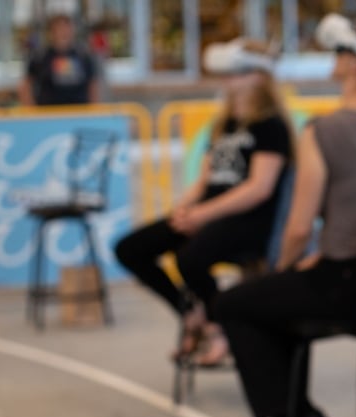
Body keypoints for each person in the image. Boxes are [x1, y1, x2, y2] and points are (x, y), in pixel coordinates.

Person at [214, 13, 356, 417]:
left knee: (234, 304)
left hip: (340, 283)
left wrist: (285, 269)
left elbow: (297, 228)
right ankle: (295, 415)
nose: (335, 58)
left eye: (341, 51)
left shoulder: (324, 131)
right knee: (277, 302)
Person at [114, 38, 293, 365]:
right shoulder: (226, 123)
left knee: (189, 259)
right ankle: (190, 312)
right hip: (209, 214)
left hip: (248, 221)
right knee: (130, 248)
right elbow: (206, 177)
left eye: (236, 72)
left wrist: (202, 214)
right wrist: (185, 208)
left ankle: (218, 328)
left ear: (259, 76)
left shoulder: (272, 126)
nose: (227, 79)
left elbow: (259, 188)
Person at [17, 13, 100, 106]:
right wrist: (31, 111)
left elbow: (93, 86)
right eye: (59, 28)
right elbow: (26, 85)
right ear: (51, 32)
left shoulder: (83, 56)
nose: (64, 32)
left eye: (67, 28)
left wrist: (93, 110)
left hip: (79, 112)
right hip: (48, 112)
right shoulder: (40, 57)